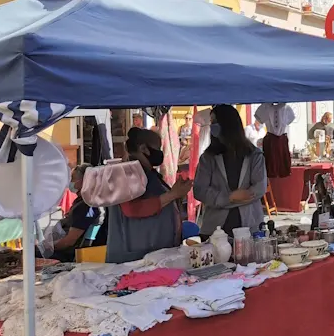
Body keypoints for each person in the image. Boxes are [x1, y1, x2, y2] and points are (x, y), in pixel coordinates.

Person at [106, 128, 192, 263]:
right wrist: (172, 194)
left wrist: (177, 194)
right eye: (157, 148)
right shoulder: (126, 173)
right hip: (134, 257)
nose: (160, 152)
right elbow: (132, 209)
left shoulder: (148, 173)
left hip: (154, 253)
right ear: (143, 148)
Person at [194, 104, 267, 237]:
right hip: (215, 230)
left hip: (250, 227)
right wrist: (230, 198)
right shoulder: (208, 157)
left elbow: (259, 189)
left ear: (228, 124)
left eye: (215, 122)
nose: (212, 126)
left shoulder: (254, 155)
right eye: (211, 123)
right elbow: (199, 191)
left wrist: (222, 201)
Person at [43, 164, 100, 262]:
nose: (70, 182)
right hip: (69, 247)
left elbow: (69, 242)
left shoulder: (85, 206)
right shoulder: (90, 201)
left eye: (73, 178)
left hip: (69, 253)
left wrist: (47, 248)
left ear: (84, 181)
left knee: (27, 253)